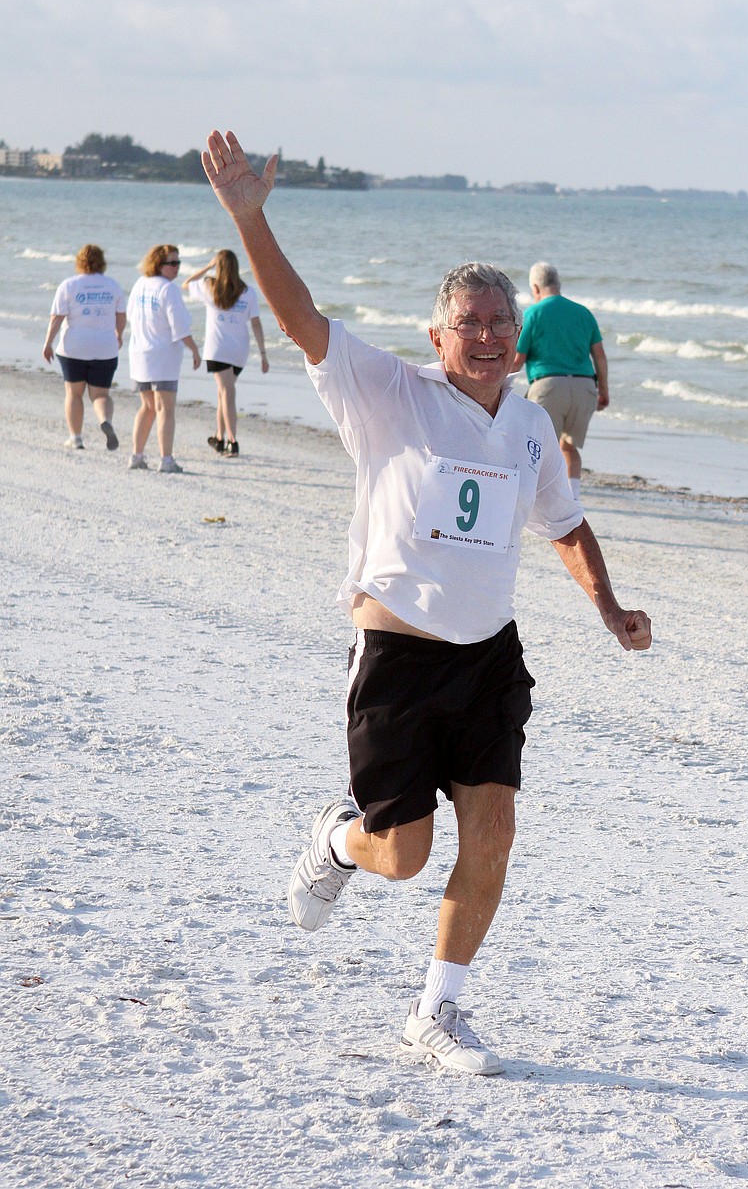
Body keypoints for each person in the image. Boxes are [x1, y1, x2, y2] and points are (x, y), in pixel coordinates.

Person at [202, 130, 652, 1076]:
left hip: (489, 657)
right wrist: (251, 217)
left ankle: (437, 1011)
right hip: (398, 659)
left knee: (494, 831)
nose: (489, 335)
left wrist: (609, 607)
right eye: (470, 323)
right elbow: (299, 318)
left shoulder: (529, 423)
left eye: (501, 322)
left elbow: (565, 524)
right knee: (401, 854)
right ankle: (336, 834)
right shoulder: (387, 394)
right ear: (438, 335)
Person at [512, 262, 609, 501]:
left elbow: (517, 359)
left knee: (539, 448)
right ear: (558, 284)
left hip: (548, 386)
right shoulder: (583, 313)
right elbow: (599, 355)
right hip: (585, 386)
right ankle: (572, 499)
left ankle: (534, 499)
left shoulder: (533, 314)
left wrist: (498, 387)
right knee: (568, 446)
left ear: (535, 288)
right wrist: (603, 390)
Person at [182, 250, 269, 457]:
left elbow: (186, 283)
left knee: (227, 394)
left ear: (218, 267)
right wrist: (263, 353)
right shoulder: (247, 292)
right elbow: (256, 323)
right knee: (224, 393)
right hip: (240, 350)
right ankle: (219, 438)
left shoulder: (209, 286)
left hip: (218, 349)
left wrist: (208, 266)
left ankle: (232, 441)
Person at [42, 243, 125, 451]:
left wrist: (48, 343)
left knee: (74, 393)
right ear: (102, 262)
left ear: (79, 262)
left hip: (74, 347)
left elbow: (57, 318)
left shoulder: (69, 285)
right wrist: (119, 334)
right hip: (105, 347)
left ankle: (76, 437)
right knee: (101, 395)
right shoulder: (113, 285)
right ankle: (105, 420)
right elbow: (121, 316)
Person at [126, 244, 200, 473]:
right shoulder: (168, 289)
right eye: (172, 263)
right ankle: (166, 459)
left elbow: (130, 315)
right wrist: (195, 350)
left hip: (140, 353)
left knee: (148, 407)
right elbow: (179, 326)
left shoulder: (140, 284)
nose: (177, 268)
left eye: (178, 262)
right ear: (159, 264)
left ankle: (136, 456)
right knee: (164, 409)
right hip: (162, 356)